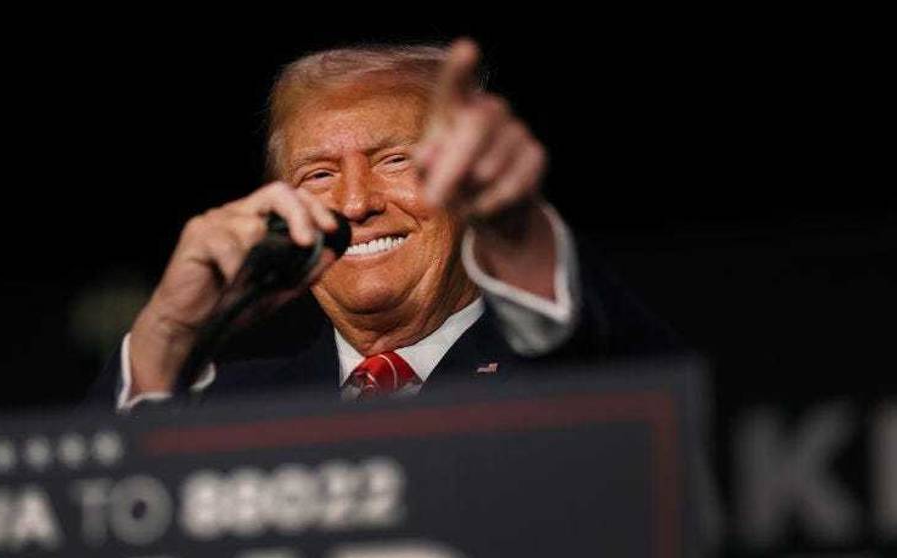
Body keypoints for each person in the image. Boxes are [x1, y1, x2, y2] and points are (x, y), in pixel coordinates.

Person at [92, 38, 676, 410]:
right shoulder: (227, 408)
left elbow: (645, 398)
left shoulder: (568, 370)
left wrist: (518, 240)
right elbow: (92, 519)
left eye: (396, 161)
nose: (354, 203)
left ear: (465, 177)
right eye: (319, 174)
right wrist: (166, 332)